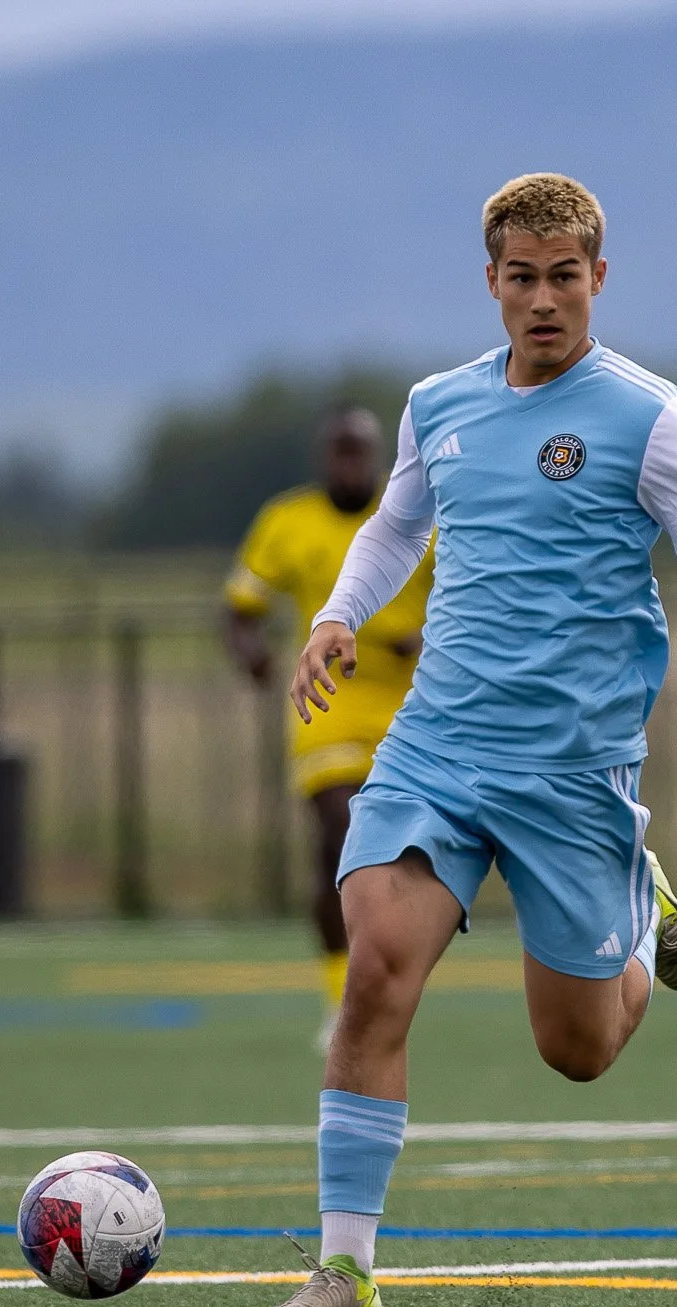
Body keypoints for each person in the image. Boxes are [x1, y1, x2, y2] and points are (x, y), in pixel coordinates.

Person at [258, 173, 677, 1307]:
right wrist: (335, 618)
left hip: (568, 774)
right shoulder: (437, 404)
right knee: (373, 975)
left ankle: (637, 911)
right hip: (434, 750)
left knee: (579, 1053)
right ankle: (343, 1266)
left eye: (564, 278)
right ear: (491, 281)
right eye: (521, 278)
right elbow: (398, 520)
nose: (542, 300)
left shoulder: (652, 419)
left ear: (598, 278)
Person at [225, 408, 434, 1052]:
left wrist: (427, 635)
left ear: (379, 458)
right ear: (323, 457)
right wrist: (252, 652)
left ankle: (388, 983)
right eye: (338, 451)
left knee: (411, 859)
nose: (349, 463)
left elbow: (472, 596)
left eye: (360, 452)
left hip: (417, 710)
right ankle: (339, 997)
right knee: (340, 833)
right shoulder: (287, 522)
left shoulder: (415, 521)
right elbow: (239, 609)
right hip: (328, 707)